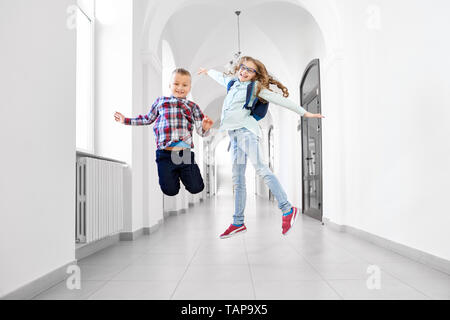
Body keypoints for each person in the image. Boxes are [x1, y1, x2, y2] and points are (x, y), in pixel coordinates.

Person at [198, 56, 324, 238]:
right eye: (242, 67)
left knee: (261, 169)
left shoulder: (256, 88)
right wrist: (207, 72)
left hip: (246, 133)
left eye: (249, 70)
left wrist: (305, 113)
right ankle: (238, 222)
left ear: (256, 75)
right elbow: (221, 78)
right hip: (234, 135)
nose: (244, 71)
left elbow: (281, 100)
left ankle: (287, 209)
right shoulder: (233, 83)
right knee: (238, 179)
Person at [114, 68, 214, 196]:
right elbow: (147, 119)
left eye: (185, 85)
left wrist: (206, 127)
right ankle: (174, 173)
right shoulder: (161, 102)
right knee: (170, 191)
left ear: (189, 87)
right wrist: (126, 120)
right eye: (176, 84)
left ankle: (183, 172)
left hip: (184, 153)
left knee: (197, 188)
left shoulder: (193, 106)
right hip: (164, 154)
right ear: (169, 85)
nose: (180, 87)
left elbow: (201, 131)